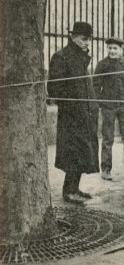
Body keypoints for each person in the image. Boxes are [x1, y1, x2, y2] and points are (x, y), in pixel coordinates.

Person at [47, 22, 99, 204]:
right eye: (84, 39)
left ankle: (75, 188)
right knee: (73, 152)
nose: (87, 43)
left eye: (89, 39)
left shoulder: (79, 56)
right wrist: (73, 106)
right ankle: (68, 191)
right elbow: (54, 88)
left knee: (83, 152)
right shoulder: (61, 57)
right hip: (71, 116)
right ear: (73, 37)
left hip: (84, 114)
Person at [93, 37, 124, 181]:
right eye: (110, 48)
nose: (112, 51)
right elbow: (95, 85)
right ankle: (106, 169)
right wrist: (100, 101)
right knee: (108, 138)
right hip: (108, 107)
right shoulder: (102, 65)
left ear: (120, 50)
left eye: (115, 48)